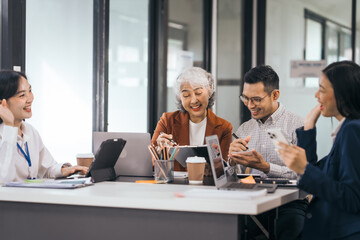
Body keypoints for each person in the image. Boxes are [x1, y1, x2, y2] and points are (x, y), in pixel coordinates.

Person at [278, 61, 360, 239]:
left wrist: (303, 169)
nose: (316, 95)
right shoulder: (346, 129)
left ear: (342, 95)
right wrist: (308, 128)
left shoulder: (351, 130)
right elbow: (317, 171)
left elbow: (353, 199)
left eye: (322, 90)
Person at [228, 65, 307, 240]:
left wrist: (266, 167)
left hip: (290, 203)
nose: (250, 105)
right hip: (254, 200)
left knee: (290, 229)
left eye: (256, 99)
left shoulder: (298, 126)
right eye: (246, 98)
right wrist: (232, 162)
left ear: (275, 95)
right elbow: (235, 176)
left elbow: (303, 174)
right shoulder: (244, 129)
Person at [0, 70, 87, 183]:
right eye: (22, 95)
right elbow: (3, 179)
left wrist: (65, 170)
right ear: (2, 103)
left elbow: (47, 169)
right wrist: (8, 126)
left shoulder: (30, 131)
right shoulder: (3, 135)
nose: (30, 99)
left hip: (30, 197)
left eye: (30, 91)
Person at [151, 67, 232, 171]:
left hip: (207, 186)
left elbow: (224, 171)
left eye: (198, 93)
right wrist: (158, 152)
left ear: (210, 90)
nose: (193, 100)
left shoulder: (224, 128)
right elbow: (150, 163)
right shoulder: (167, 121)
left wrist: (213, 166)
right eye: (186, 95)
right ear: (180, 97)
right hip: (175, 186)